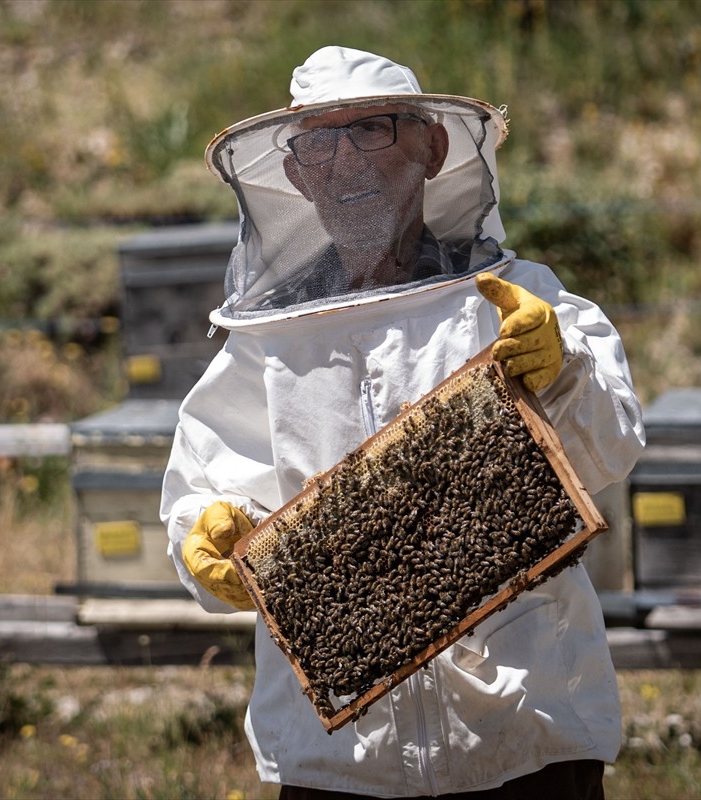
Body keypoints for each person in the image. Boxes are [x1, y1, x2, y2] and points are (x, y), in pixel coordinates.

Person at [161, 46, 645, 799]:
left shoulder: (512, 298)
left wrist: (567, 370)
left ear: (432, 147)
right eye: (318, 142)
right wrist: (205, 539)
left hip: (524, 740)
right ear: (294, 174)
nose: (344, 161)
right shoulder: (265, 347)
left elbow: (610, 444)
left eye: (373, 131)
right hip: (340, 767)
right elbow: (201, 496)